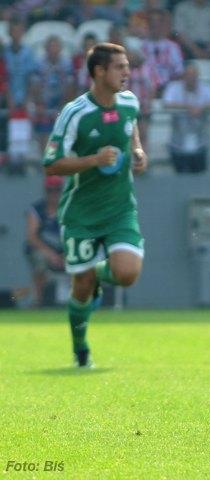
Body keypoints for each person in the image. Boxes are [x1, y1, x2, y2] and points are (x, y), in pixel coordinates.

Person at [43, 43, 148, 368]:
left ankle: (101, 273)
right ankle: (80, 347)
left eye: (127, 66)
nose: (126, 72)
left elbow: (131, 130)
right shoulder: (75, 113)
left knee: (127, 273)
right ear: (98, 71)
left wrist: (138, 151)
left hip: (119, 208)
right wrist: (93, 160)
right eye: (119, 67)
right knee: (82, 286)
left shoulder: (130, 101)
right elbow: (51, 164)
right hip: (81, 213)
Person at [25, 176, 65, 307]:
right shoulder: (37, 209)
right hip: (44, 251)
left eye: (57, 190)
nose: (54, 194)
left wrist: (66, 255)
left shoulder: (68, 209)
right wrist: (51, 254)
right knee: (40, 261)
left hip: (64, 251)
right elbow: (31, 237)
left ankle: (78, 302)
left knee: (80, 260)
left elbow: (76, 234)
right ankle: (38, 302)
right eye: (50, 190)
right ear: (45, 191)